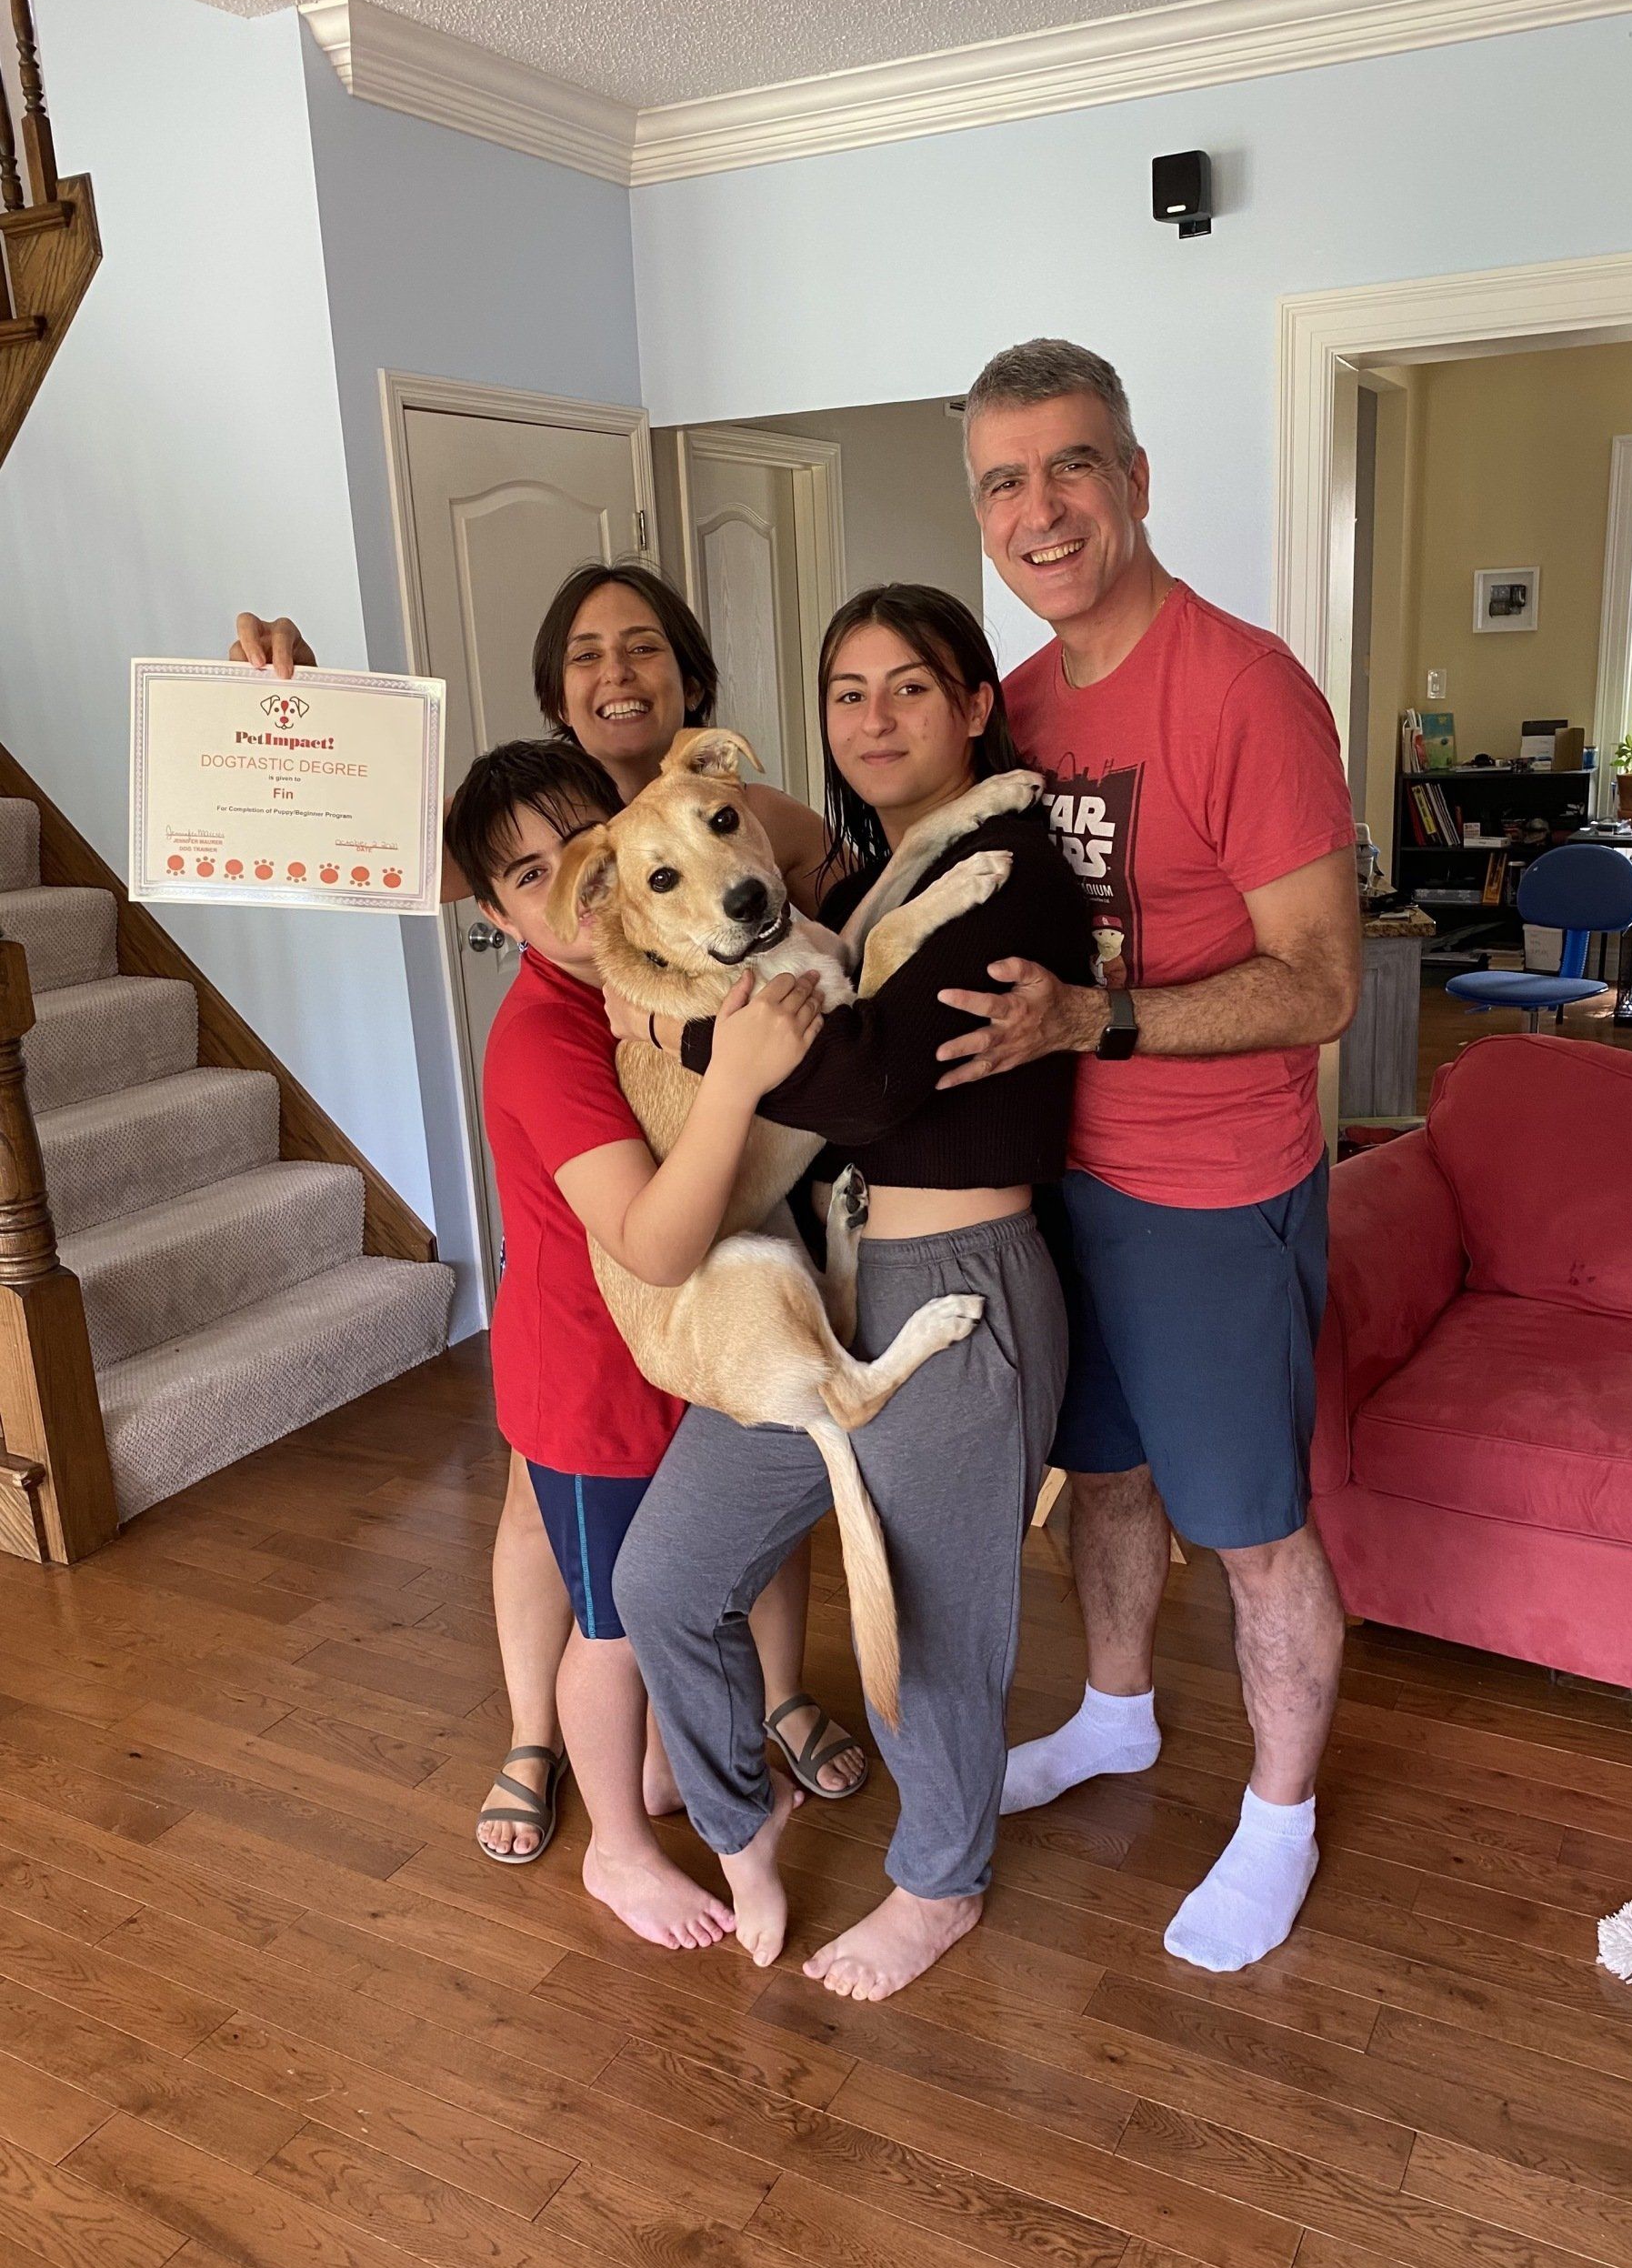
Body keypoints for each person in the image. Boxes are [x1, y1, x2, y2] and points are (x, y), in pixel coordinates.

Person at [230, 565, 866, 1864]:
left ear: (694, 682)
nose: (617, 672)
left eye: (644, 647)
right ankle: (554, 1747)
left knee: (756, 1487)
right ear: (556, 697)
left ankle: (755, 1700)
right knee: (578, 1542)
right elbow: (447, 842)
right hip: (601, 1299)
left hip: (722, 1266)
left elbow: (818, 873)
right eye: (586, 653)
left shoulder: (718, 812)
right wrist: (302, 711)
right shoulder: (552, 936)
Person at [608, 583, 1094, 2000]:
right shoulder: (877, 868)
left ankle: (940, 1885)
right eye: (847, 692)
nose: (874, 718)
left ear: (976, 704)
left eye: (911, 688)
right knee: (666, 1577)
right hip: (823, 1281)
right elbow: (630, 849)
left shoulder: (1017, 859)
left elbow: (876, 1081)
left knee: (937, 1632)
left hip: (959, 1278)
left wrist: (683, 1034)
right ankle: (739, 1825)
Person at [941, 340, 1362, 1975]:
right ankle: (1116, 1715)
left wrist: (1091, 1024)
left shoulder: (1245, 688)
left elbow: (1320, 982)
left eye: (1070, 466)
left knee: (1252, 1526)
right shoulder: (1018, 703)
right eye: (1002, 479)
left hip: (1210, 1189)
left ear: (1133, 477)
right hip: (1057, 1177)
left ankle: (1279, 1818)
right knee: (1097, 1473)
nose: (1038, 508)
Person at [443, 734, 826, 1943]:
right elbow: (654, 1244)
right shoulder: (546, 1036)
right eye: (525, 877)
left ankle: (668, 1778)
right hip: (591, 1383)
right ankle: (616, 1845)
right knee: (607, 1626)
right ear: (496, 913)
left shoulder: (627, 973)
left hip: (675, 1357)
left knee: (694, 1587)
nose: (567, 883)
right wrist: (737, 1081)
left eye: (581, 846)